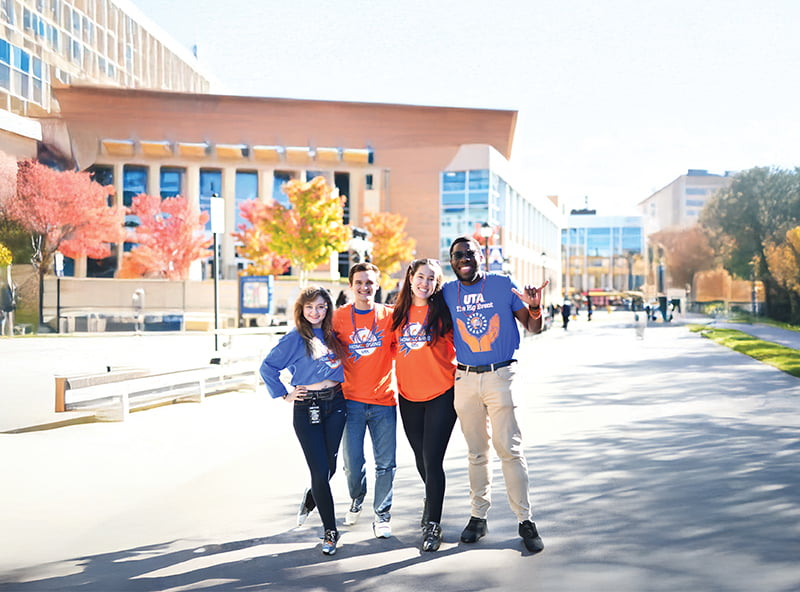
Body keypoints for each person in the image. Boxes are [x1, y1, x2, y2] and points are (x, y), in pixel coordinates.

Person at [442, 236, 547, 554]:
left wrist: (535, 306)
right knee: (476, 453)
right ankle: (478, 516)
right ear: (452, 261)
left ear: (481, 256)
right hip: (465, 378)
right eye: (458, 255)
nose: (464, 259)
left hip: (501, 375)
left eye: (469, 253)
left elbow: (532, 326)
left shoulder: (502, 285)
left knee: (509, 449)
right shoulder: (447, 292)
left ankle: (525, 520)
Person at [259, 286, 347, 556]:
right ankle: (330, 531)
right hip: (307, 406)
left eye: (320, 306)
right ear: (301, 310)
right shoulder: (295, 338)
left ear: (327, 308)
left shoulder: (335, 336)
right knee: (320, 471)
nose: (315, 312)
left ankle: (312, 497)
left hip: (337, 403)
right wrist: (285, 395)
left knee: (329, 467)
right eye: (309, 307)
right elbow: (267, 367)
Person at [391, 258, 457, 552]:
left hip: (443, 394)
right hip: (408, 397)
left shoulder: (444, 312)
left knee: (432, 460)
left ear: (437, 284)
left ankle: (433, 524)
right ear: (410, 277)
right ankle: (432, 499)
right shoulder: (397, 314)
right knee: (420, 458)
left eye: (432, 279)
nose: (425, 283)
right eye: (421, 276)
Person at [333, 262, 398, 539]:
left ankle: (382, 514)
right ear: (351, 286)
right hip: (350, 402)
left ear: (378, 284)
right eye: (359, 282)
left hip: (383, 401)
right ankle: (357, 498)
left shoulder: (390, 316)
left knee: (386, 463)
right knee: (352, 463)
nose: (364, 287)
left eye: (369, 282)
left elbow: (402, 352)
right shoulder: (337, 318)